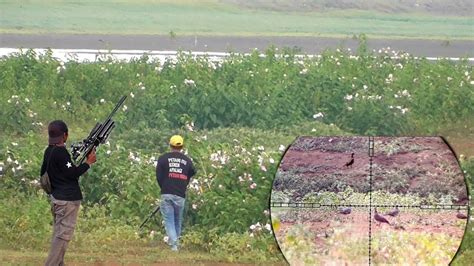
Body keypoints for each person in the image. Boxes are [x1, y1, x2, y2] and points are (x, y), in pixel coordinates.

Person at [41, 120, 97, 265]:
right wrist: (88, 163)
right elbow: (72, 173)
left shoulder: (49, 151)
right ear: (65, 136)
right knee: (62, 237)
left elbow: (45, 173)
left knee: (59, 235)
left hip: (57, 198)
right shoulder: (61, 153)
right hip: (67, 201)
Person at [156, 135, 196, 251]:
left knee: (169, 220)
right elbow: (192, 172)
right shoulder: (187, 160)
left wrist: (164, 187)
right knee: (177, 220)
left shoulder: (163, 158)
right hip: (180, 195)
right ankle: (176, 244)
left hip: (167, 193)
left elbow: (159, 176)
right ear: (182, 146)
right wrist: (183, 183)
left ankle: (174, 246)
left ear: (170, 145)